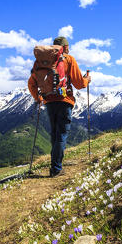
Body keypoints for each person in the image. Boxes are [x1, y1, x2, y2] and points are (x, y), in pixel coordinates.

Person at [27, 36, 90, 177]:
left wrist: (38, 98)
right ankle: (56, 169)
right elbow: (79, 84)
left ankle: (54, 164)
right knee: (61, 135)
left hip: (49, 101)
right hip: (64, 100)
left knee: (55, 135)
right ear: (65, 47)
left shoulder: (42, 62)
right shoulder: (68, 59)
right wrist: (87, 80)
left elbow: (31, 83)